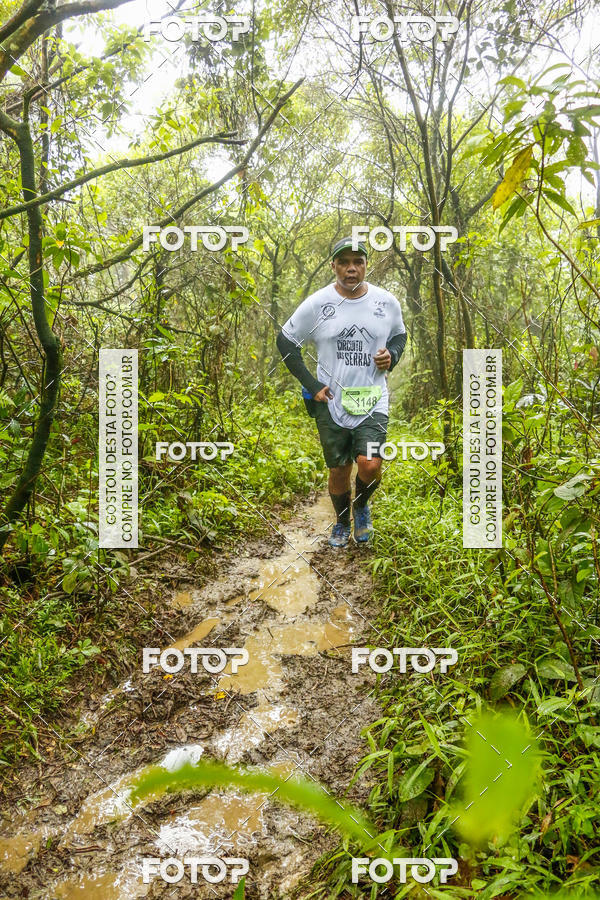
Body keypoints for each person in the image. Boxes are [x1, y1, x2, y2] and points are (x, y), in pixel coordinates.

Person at [276, 236, 407, 547]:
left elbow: (400, 336)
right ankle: (341, 521)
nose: (351, 269)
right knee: (338, 469)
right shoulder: (317, 304)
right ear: (333, 265)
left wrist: (393, 355)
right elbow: (286, 342)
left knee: (370, 464)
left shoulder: (386, 302)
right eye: (344, 263)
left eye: (358, 262)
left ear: (365, 265)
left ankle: (361, 507)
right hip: (331, 401)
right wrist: (312, 385)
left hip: (373, 397)